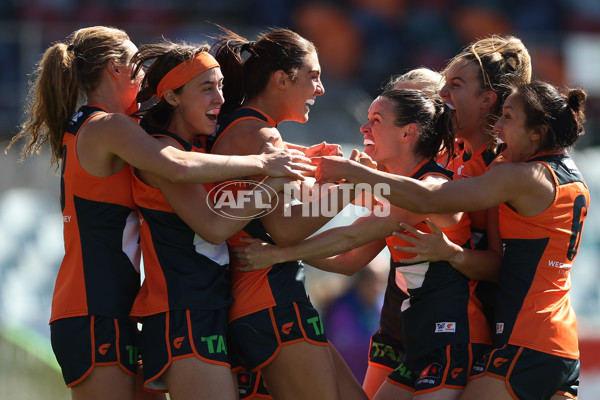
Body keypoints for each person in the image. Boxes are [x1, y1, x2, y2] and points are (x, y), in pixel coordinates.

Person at [6, 26, 309, 400]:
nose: (146, 79)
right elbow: (177, 165)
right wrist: (261, 162)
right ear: (116, 69)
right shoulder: (108, 125)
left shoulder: (107, 126)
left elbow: (186, 150)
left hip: (109, 305)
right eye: (137, 66)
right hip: (93, 307)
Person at [313, 81, 588, 400]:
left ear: (537, 133)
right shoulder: (571, 179)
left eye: (508, 117)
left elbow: (430, 198)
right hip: (561, 344)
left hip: (523, 344)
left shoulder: (520, 176)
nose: (497, 125)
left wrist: (357, 172)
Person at [236, 88, 494, 400]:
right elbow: (348, 258)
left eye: (376, 120)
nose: (364, 128)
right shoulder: (390, 188)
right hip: (421, 340)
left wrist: (279, 254)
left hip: (455, 336)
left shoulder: (430, 185)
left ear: (408, 133)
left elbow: (352, 234)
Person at [127, 40, 299, 399]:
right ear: (172, 97)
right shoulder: (161, 149)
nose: (220, 98)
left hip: (213, 307)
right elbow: (214, 226)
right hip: (183, 310)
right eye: (207, 88)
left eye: (220, 86)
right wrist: (274, 181)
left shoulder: (201, 148)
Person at [210, 26, 367, 400]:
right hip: (270, 299)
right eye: (313, 77)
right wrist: (350, 186)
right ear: (282, 79)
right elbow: (284, 230)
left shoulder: (240, 128)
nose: (321, 88)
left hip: (253, 302)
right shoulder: (264, 137)